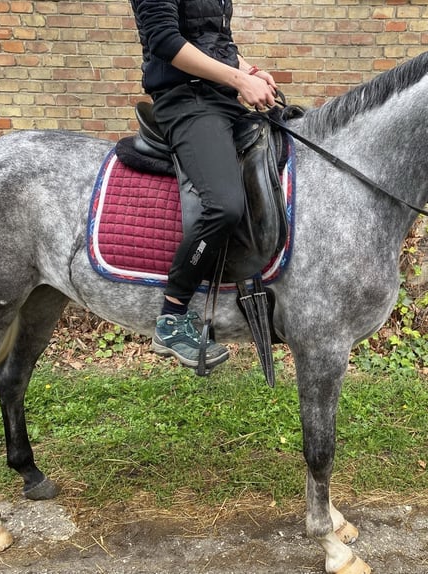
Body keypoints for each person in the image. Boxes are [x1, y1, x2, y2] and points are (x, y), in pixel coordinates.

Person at [130, 0, 278, 370]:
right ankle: (172, 315)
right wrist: (239, 79)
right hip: (185, 101)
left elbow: (217, 42)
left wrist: (252, 71)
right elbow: (164, 40)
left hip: (220, 99)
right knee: (225, 203)